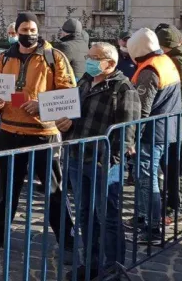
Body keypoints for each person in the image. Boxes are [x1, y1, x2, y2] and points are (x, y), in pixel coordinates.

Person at [0, 12, 76, 252]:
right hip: (10, 131)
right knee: (7, 190)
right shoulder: (4, 58)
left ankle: (67, 240)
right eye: (24, 30)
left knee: (54, 191)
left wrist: (42, 105)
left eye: (32, 30)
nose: (29, 34)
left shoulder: (54, 57)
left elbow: (68, 94)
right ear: (16, 32)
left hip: (44, 134)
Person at [55, 42, 140, 280]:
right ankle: (91, 263)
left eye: (94, 58)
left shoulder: (123, 88)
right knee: (85, 213)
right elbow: (71, 113)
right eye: (88, 56)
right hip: (77, 155)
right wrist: (65, 125)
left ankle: (113, 267)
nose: (89, 61)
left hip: (103, 162)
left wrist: (111, 160)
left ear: (110, 63)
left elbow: (127, 130)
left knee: (108, 216)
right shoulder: (84, 81)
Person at [126, 28, 182, 241]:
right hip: (165, 128)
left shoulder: (149, 70)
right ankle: (142, 218)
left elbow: (141, 109)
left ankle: (152, 227)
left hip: (152, 133)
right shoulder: (164, 61)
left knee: (147, 179)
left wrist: (131, 138)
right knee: (146, 177)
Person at [155, 24, 182, 217]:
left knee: (176, 167)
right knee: (176, 166)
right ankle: (177, 202)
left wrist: (165, 109)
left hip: (181, 123)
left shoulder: (177, 60)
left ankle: (175, 207)